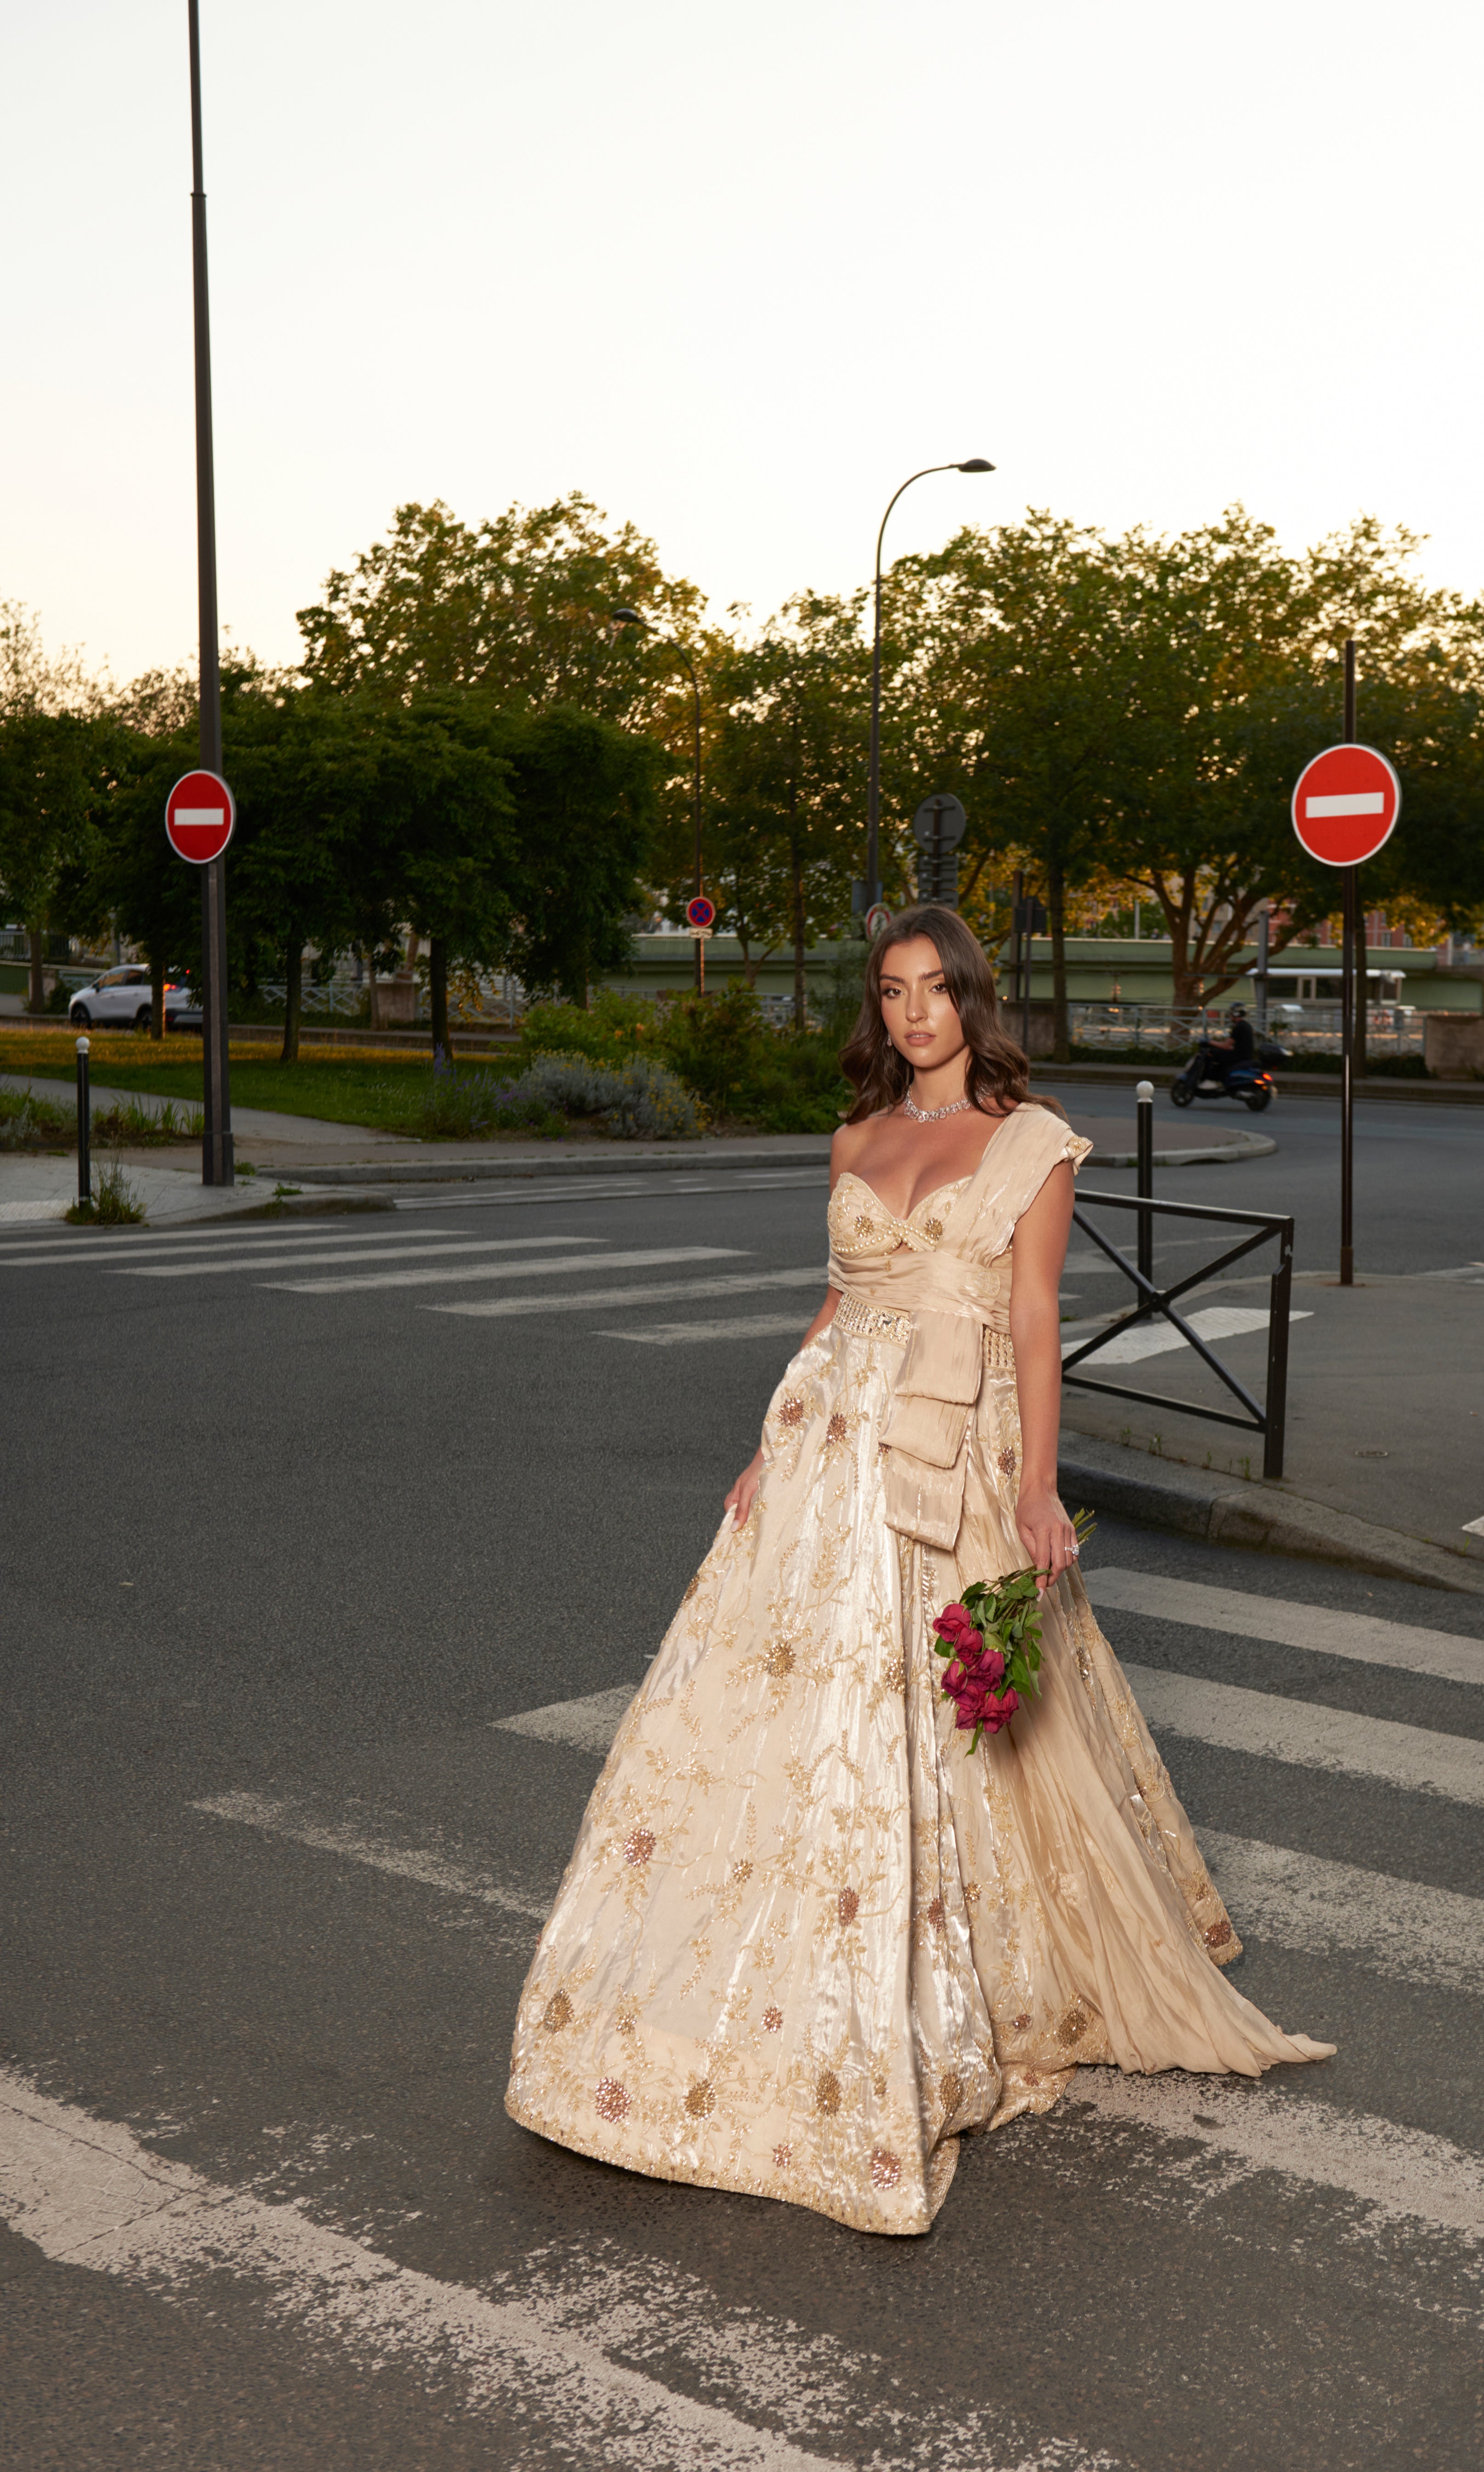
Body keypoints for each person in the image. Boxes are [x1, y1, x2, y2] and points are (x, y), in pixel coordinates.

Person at [505, 906, 1333, 2234]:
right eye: (891, 991)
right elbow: (837, 1306)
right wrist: (766, 1453)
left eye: (935, 989)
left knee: (943, 1713)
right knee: (778, 1719)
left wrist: (1035, 1483)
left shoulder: (1029, 1145)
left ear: (973, 1000)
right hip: (825, 1446)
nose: (912, 1013)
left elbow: (1033, 1315)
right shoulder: (855, 1138)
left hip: (949, 1451)